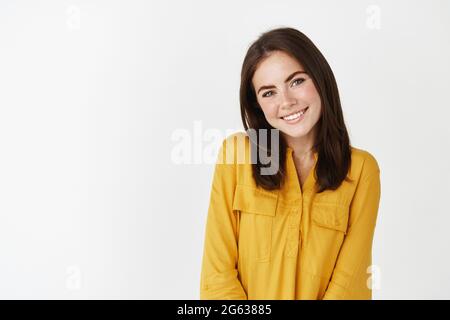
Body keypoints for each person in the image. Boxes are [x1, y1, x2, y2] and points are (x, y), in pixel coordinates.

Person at [200, 27, 381, 300]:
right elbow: (217, 276)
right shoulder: (236, 154)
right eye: (268, 93)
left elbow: (350, 283)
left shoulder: (361, 170)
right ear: (257, 103)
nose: (286, 102)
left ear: (319, 79)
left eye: (296, 81)